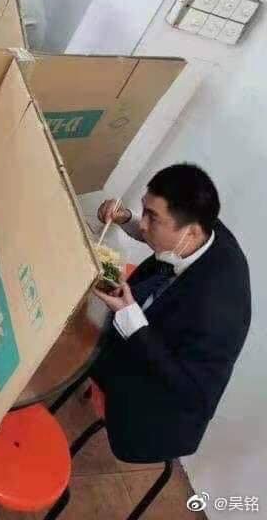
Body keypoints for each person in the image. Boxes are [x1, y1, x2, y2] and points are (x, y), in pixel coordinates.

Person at [91, 164, 251, 463]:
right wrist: (126, 218)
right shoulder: (204, 228)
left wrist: (131, 320)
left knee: (85, 342)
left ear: (191, 232)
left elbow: (190, 391)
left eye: (152, 217)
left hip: (160, 408)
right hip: (154, 329)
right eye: (145, 210)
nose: (143, 224)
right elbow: (165, 236)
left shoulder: (217, 310)